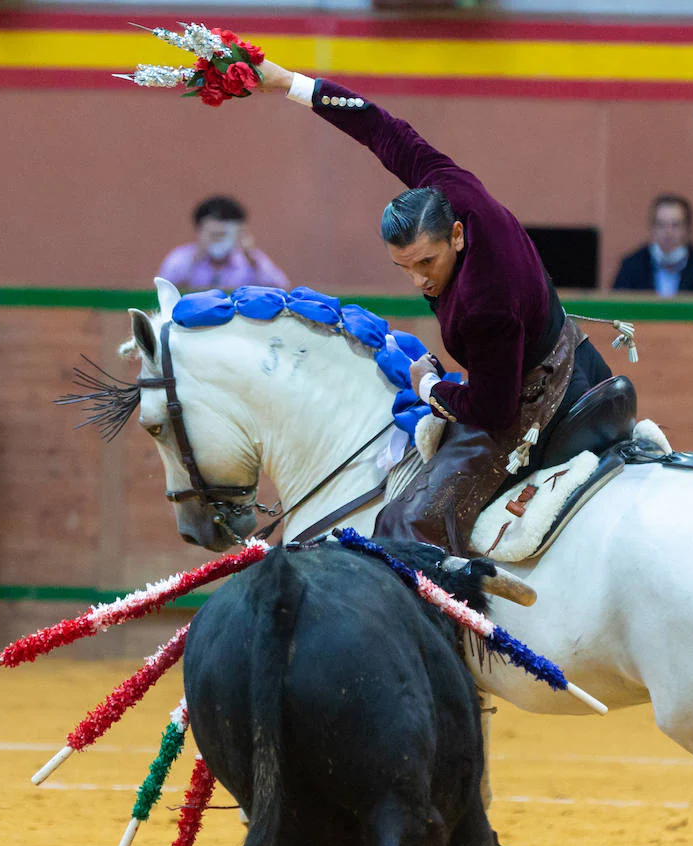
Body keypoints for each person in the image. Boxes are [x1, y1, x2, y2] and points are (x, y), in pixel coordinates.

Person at [255, 61, 613, 553]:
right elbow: (377, 127)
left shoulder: (487, 300)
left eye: (427, 261)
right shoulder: (445, 188)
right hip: (561, 351)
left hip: (541, 397)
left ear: (458, 235)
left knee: (405, 529)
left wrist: (428, 385)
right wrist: (287, 82)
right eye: (403, 267)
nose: (419, 279)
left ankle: (461, 630)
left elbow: (493, 408)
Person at [157, 195, 289, 293]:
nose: (219, 241)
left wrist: (251, 259)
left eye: (224, 235)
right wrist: (195, 259)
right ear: (199, 230)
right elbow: (163, 292)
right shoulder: (180, 258)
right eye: (214, 235)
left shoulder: (251, 260)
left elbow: (281, 290)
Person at [611, 194, 693, 296]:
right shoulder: (631, 266)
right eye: (661, 225)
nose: (668, 232)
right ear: (652, 229)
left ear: (688, 229)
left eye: (675, 225)